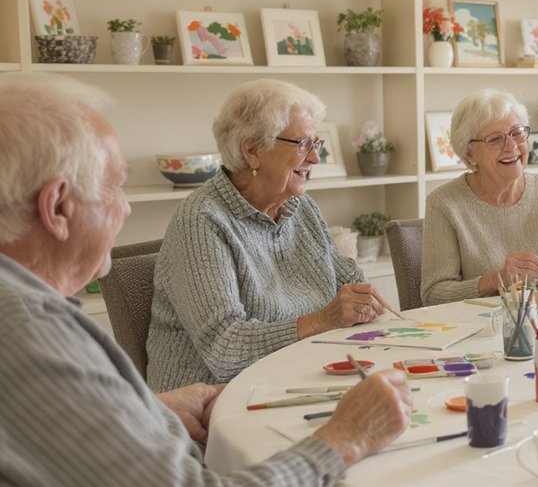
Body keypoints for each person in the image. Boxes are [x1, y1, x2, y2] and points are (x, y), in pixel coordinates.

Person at [0, 72, 411, 485]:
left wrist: (153, 407)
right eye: (115, 188)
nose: (126, 209)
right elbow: (222, 353)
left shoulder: (32, 315)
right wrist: (346, 439)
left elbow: (81, 427)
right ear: (57, 208)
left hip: (282, 385)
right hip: (224, 416)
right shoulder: (31, 332)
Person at [147, 79, 392, 391]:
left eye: (316, 144)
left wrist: (362, 303)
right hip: (212, 400)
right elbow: (224, 349)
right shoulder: (201, 220)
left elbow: (352, 284)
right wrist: (322, 320)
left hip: (300, 378)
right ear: (252, 150)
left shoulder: (301, 207)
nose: (315, 159)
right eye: (303, 144)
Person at [422, 89, 538, 304]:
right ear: (469, 154)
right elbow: (433, 295)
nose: (511, 146)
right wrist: (498, 279)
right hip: (485, 323)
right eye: (495, 139)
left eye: (516, 133)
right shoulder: (444, 204)